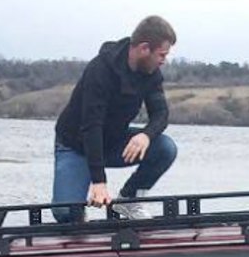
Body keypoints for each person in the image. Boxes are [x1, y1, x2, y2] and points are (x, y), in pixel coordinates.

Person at [52, 16, 177, 222]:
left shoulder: (151, 73)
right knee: (65, 213)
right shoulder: (100, 70)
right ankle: (77, 213)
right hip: (76, 145)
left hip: (113, 141)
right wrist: (98, 182)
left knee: (165, 147)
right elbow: (91, 126)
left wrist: (146, 135)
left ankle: (128, 201)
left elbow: (161, 115)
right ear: (144, 48)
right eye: (162, 54)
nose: (164, 60)